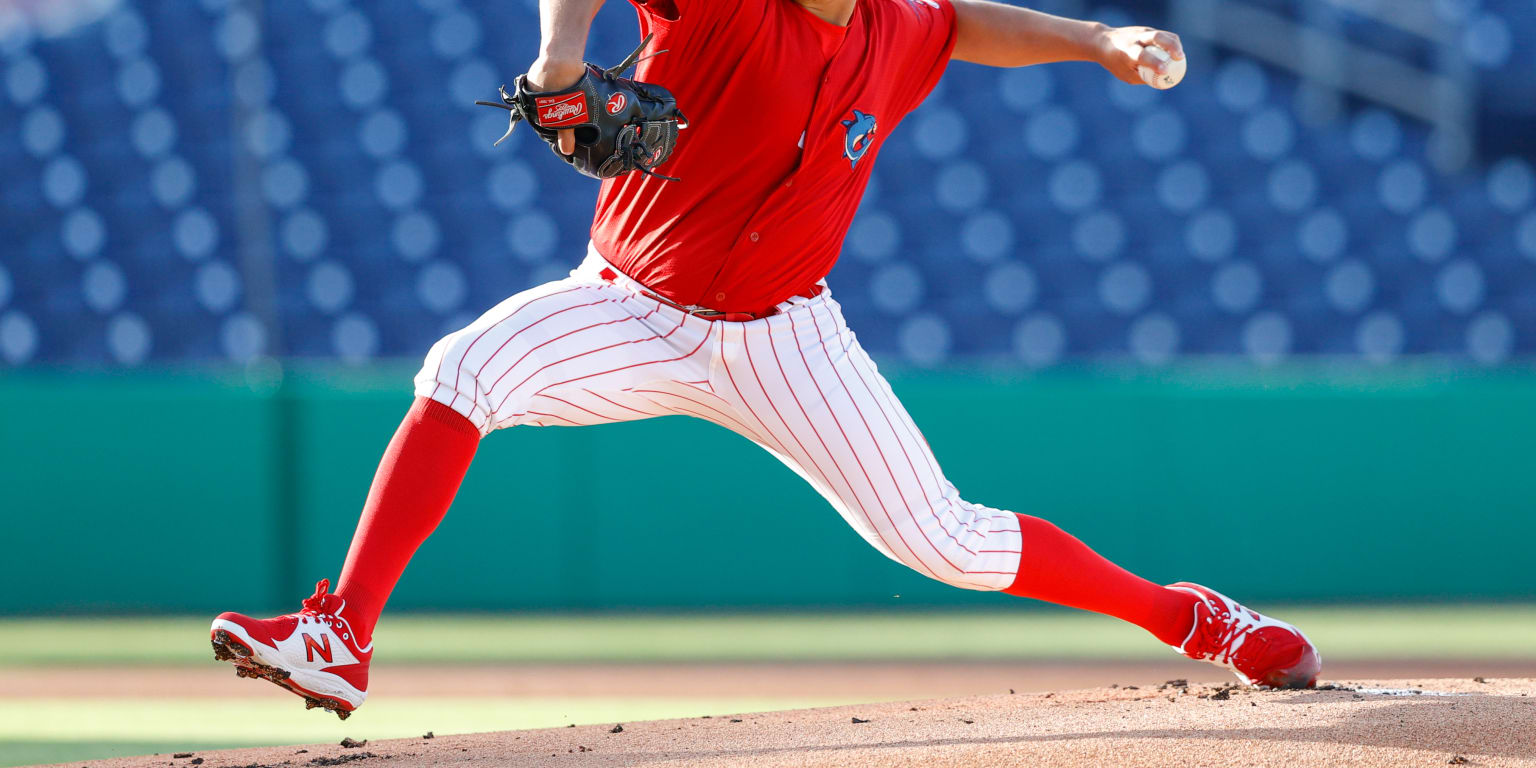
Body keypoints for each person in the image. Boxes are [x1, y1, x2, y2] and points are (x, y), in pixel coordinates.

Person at [209, 0, 1320, 719]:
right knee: (463, 368)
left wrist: (1095, 41)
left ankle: (1193, 617)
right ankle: (338, 634)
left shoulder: (898, 27)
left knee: (952, 543)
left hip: (786, 334)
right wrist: (558, 54)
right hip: (629, 304)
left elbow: (962, 22)